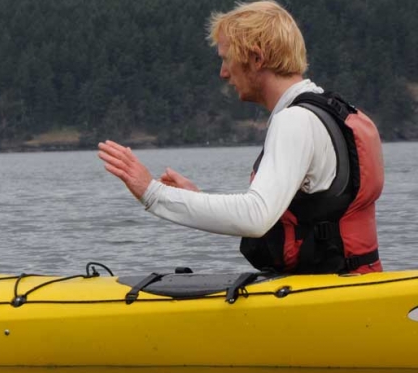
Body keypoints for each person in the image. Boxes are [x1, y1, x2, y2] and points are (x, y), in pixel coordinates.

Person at [98, 0, 384, 274]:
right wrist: (197, 198)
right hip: (353, 282)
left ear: (257, 58)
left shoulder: (295, 121)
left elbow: (256, 216)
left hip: (326, 298)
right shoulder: (334, 111)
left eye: (227, 59)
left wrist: (152, 192)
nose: (223, 73)